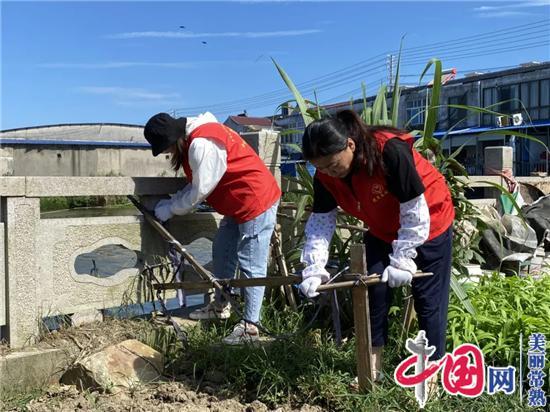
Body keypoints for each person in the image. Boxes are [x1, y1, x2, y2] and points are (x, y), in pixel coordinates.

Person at [299, 110, 455, 382]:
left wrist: (404, 258)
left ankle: (431, 375)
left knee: (428, 303)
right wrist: (314, 268)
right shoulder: (326, 177)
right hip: (383, 230)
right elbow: (321, 222)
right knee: (373, 294)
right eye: (320, 167)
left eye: (333, 165)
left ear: (350, 144)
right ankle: (372, 369)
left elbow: (414, 209)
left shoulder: (388, 151)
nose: (328, 173)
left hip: (430, 221)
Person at [143, 112, 281, 345]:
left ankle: (250, 327)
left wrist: (171, 208)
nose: (167, 154)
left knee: (251, 263)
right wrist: (172, 202)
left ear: (172, 140)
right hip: (237, 204)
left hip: (255, 200)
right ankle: (220, 306)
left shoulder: (201, 143)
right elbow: (197, 184)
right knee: (222, 250)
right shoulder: (198, 136)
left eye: (165, 149)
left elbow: (200, 191)